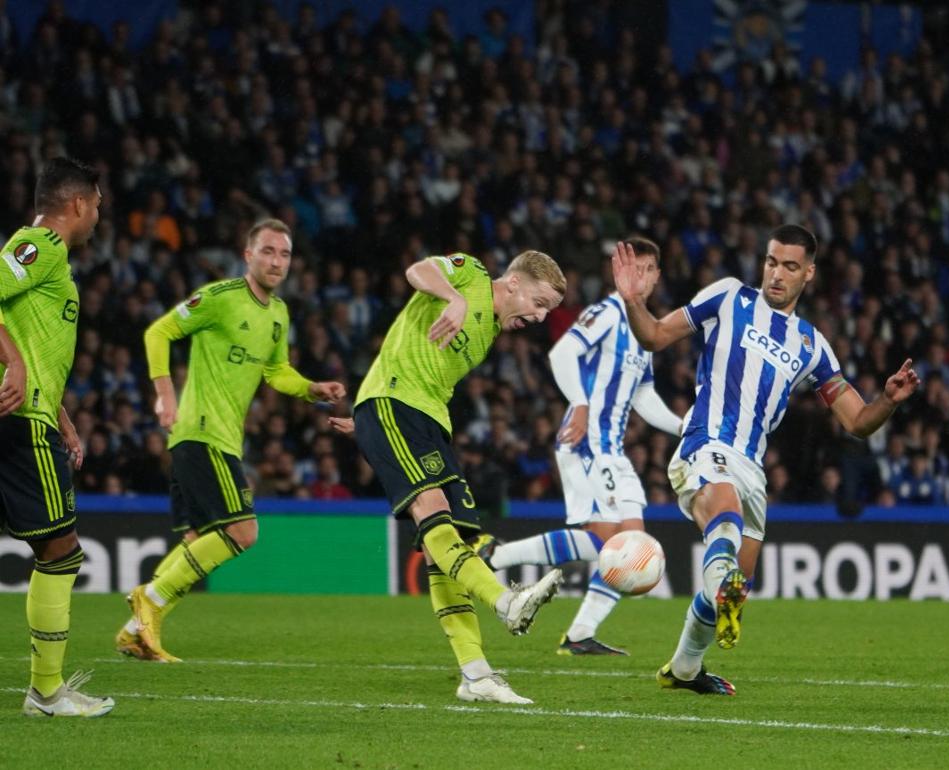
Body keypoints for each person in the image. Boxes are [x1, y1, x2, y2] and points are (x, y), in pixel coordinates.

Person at [612, 224, 920, 695]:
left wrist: (889, 400)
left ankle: (684, 669)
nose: (777, 274)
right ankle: (723, 580)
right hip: (706, 443)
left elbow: (857, 421)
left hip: (752, 468)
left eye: (790, 266)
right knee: (726, 522)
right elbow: (654, 336)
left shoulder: (813, 346)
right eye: (772, 262)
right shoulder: (728, 298)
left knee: (730, 588)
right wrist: (634, 301)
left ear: (809, 273)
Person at [329, 249, 567, 704]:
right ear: (513, 283)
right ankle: (504, 602)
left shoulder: (490, 332)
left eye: (547, 311)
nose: (538, 317)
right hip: (396, 405)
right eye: (538, 303)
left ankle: (476, 675)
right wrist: (451, 298)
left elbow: (412, 353)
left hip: (426, 420)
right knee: (434, 515)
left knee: (448, 544)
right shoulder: (472, 275)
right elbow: (415, 270)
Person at [118, 219, 346, 663]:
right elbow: (158, 331)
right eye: (268, 251)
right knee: (243, 532)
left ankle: (136, 632)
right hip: (202, 432)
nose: (277, 261)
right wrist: (165, 397)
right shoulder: (220, 299)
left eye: (284, 254)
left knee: (196, 539)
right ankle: (152, 597)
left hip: (219, 437)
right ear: (248, 255)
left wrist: (311, 388)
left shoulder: (279, 315)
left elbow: (275, 371)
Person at [476, 237, 684, 656]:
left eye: (647, 271)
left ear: (657, 276)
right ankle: (497, 556)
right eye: (633, 269)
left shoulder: (644, 327)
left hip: (612, 450)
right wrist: (583, 404)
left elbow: (643, 396)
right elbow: (563, 355)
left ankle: (577, 633)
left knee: (631, 546)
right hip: (586, 440)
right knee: (613, 544)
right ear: (618, 272)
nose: (639, 278)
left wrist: (684, 427)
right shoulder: (606, 312)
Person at [1, 157, 113, 716]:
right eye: (95, 203)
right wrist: (15, 367)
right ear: (76, 203)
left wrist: (64, 415)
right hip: (19, 425)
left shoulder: (54, 264)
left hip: (33, 415)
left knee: (56, 549)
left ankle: (46, 690)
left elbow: (32, 341)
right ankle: (46, 692)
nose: (98, 213)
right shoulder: (38, 245)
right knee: (60, 550)